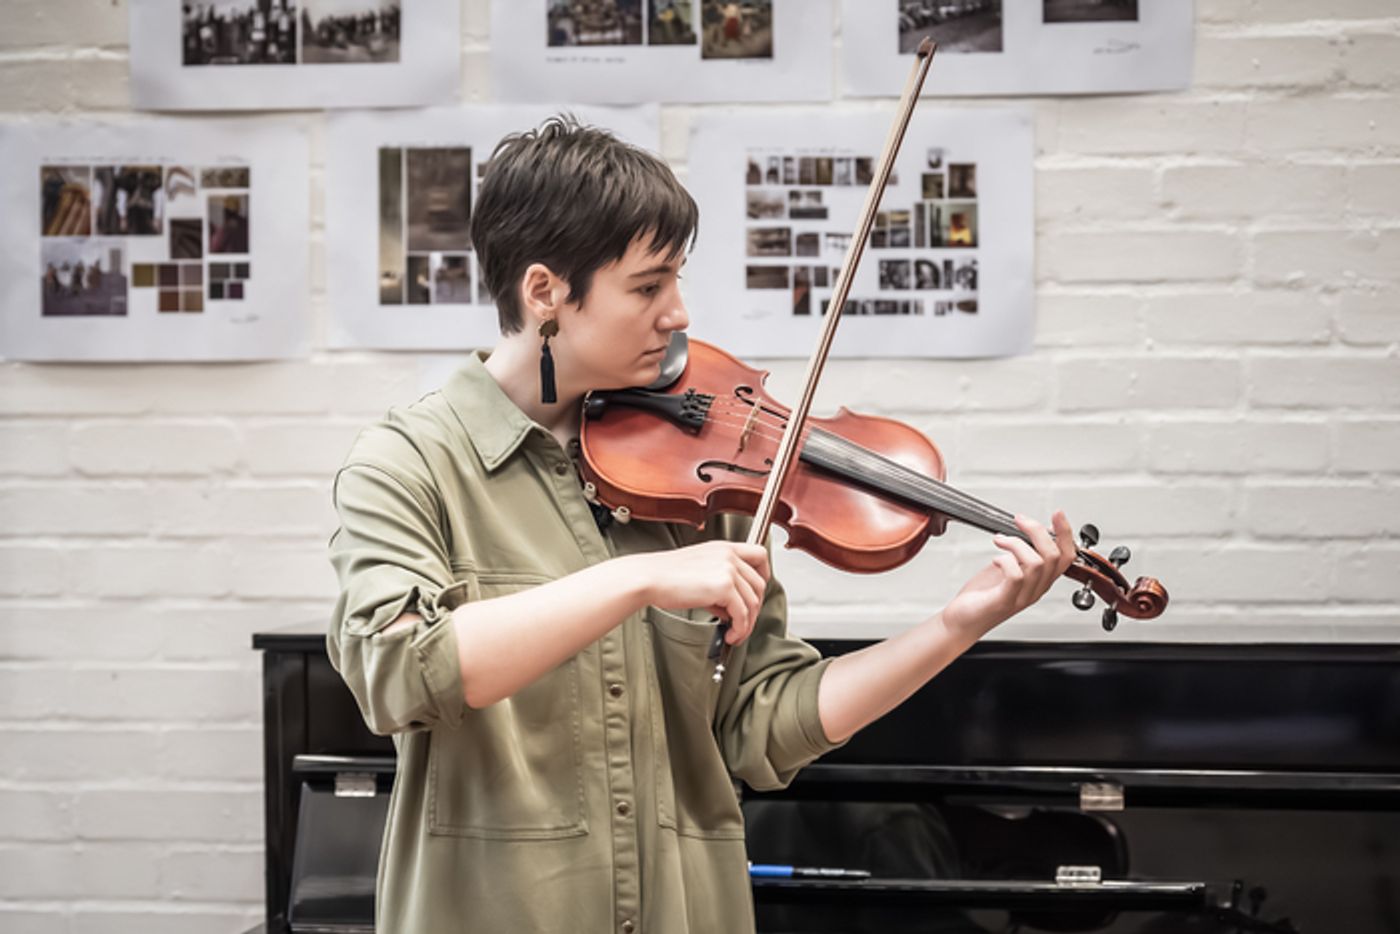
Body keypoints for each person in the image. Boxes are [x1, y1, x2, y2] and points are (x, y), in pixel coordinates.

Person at [326, 115, 1075, 933]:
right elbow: (397, 673)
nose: (678, 313)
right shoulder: (407, 464)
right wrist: (634, 579)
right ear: (545, 293)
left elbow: (763, 723)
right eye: (648, 287)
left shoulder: (690, 479)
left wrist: (957, 626)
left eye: (677, 280)